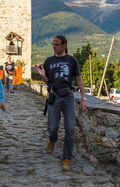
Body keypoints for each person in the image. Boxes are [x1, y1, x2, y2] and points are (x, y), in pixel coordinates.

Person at [34, 35, 87, 171]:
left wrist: (83, 98)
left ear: (64, 46)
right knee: (53, 128)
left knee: (70, 129)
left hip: (68, 97)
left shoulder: (72, 60)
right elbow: (48, 81)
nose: (54, 46)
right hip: (54, 96)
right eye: (53, 44)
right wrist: (42, 75)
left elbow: (79, 79)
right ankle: (52, 139)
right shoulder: (49, 61)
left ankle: (67, 158)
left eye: (57, 44)